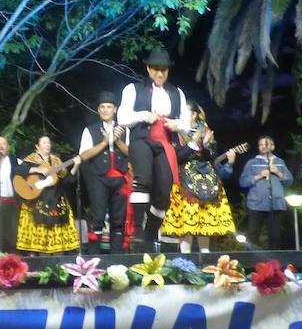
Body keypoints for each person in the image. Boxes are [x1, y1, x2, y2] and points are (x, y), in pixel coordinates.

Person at [117, 48, 192, 251]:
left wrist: (177, 124)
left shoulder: (177, 93)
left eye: (164, 70)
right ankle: (138, 231)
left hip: (165, 143)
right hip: (142, 139)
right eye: (156, 69)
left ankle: (150, 233)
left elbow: (186, 121)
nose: (160, 74)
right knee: (144, 180)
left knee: (163, 195)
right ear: (148, 69)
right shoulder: (133, 89)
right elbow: (122, 118)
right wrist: (142, 115)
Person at [162, 105, 237, 253]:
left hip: (206, 182)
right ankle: (185, 262)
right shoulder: (176, 132)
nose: (181, 115)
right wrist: (193, 144)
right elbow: (177, 157)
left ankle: (206, 259)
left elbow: (212, 159)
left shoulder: (206, 131)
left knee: (205, 223)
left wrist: (207, 145)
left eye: (185, 112)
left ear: (194, 115)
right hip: (184, 182)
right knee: (187, 224)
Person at [77, 92, 130, 254]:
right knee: (98, 217)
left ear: (115, 110)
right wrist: (103, 143)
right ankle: (94, 257)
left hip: (120, 178)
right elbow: (83, 155)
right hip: (99, 178)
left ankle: (117, 257)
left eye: (109, 107)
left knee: (118, 220)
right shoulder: (90, 130)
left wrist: (118, 141)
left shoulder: (125, 130)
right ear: (98, 110)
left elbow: (131, 153)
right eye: (102, 107)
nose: (105, 110)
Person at [16, 136, 81, 254]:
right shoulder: (30, 159)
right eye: (44, 142)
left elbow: (67, 180)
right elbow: (18, 172)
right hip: (37, 199)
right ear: (37, 146)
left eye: (49, 143)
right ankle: (36, 254)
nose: (48, 145)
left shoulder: (56, 161)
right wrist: (38, 169)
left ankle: (57, 256)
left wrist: (75, 166)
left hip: (55, 198)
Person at [239, 134, 292, 249]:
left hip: (276, 204)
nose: (263, 147)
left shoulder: (280, 162)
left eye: (266, 144)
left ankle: (275, 265)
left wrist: (278, 173)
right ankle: (251, 264)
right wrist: (259, 176)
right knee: (253, 236)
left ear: (272, 146)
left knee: (275, 237)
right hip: (256, 204)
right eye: (261, 145)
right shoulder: (252, 162)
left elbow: (289, 181)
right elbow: (242, 182)